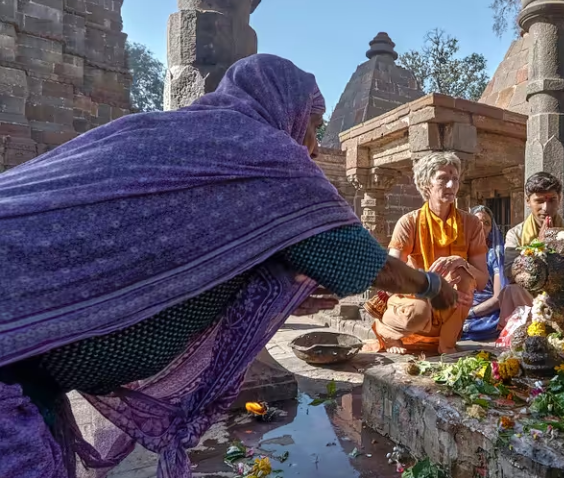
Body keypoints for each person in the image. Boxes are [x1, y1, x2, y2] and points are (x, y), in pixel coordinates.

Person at [0, 54, 458, 478]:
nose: (314, 146)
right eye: (312, 126)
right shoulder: (266, 152)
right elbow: (367, 263)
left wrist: (277, 290)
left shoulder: (181, 135)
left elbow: (185, 256)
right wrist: (433, 286)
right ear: (283, 111)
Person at [362, 152, 488, 355]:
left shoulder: (472, 224)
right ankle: (387, 332)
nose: (451, 185)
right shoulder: (409, 222)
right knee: (419, 312)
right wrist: (432, 287)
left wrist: (461, 263)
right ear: (425, 183)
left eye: (454, 179)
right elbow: (392, 279)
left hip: (450, 305)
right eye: (443, 178)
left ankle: (446, 346)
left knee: (465, 277)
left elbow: (481, 280)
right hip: (414, 299)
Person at [498, 172, 564, 328]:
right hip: (530, 297)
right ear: (527, 201)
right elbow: (510, 272)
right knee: (511, 291)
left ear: (560, 199)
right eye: (539, 201)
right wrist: (538, 246)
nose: (546, 208)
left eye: (552, 200)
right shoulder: (515, 234)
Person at [461, 206, 506, 341]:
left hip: (485, 315)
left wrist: (470, 313)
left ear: (491, 229)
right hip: (458, 309)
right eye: (477, 221)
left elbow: (498, 298)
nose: (482, 226)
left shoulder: (494, 255)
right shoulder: (458, 251)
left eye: (486, 223)